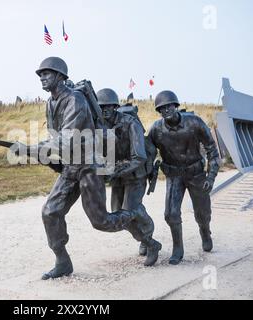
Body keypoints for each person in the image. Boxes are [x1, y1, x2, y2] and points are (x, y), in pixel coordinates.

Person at [12, 57, 162, 280]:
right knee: (50, 212)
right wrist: (43, 154)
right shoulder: (50, 103)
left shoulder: (76, 100)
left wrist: (31, 150)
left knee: (101, 222)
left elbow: (67, 139)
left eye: (47, 73)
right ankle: (62, 262)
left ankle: (147, 236)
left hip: (89, 167)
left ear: (61, 76)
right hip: (71, 167)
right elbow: (54, 137)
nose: (42, 77)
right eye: (40, 74)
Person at [147, 90, 221, 265]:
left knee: (202, 213)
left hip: (196, 174)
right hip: (174, 176)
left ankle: (205, 231)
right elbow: (148, 153)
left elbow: (212, 150)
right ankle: (178, 248)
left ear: (176, 105)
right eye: (162, 108)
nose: (166, 110)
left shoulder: (194, 122)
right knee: (170, 214)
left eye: (169, 106)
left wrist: (210, 177)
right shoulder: (156, 129)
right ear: (159, 112)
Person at [97, 88, 156, 257]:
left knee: (130, 210)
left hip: (135, 174)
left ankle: (149, 237)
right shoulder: (100, 125)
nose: (105, 110)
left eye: (108, 106)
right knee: (118, 215)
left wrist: (115, 170)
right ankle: (145, 239)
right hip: (118, 177)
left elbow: (139, 157)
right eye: (101, 107)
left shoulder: (131, 123)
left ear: (115, 106)